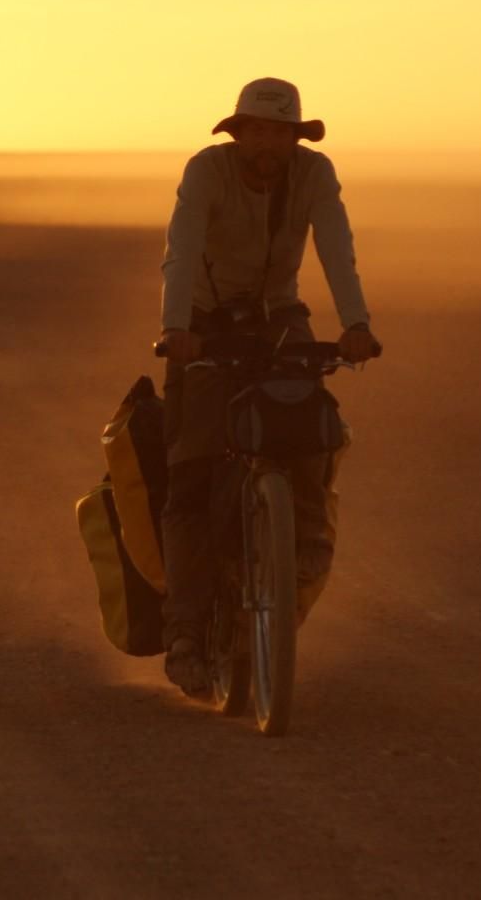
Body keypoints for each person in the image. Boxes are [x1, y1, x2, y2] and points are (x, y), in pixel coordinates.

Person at [155, 78, 381, 697]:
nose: (267, 143)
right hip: (202, 324)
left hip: (277, 315)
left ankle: (299, 544)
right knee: (192, 475)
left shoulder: (314, 175)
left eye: (279, 133)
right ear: (237, 133)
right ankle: (184, 631)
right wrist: (176, 329)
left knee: (312, 427)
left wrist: (356, 323)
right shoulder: (206, 172)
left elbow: (337, 244)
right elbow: (182, 246)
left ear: (294, 138)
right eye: (255, 130)